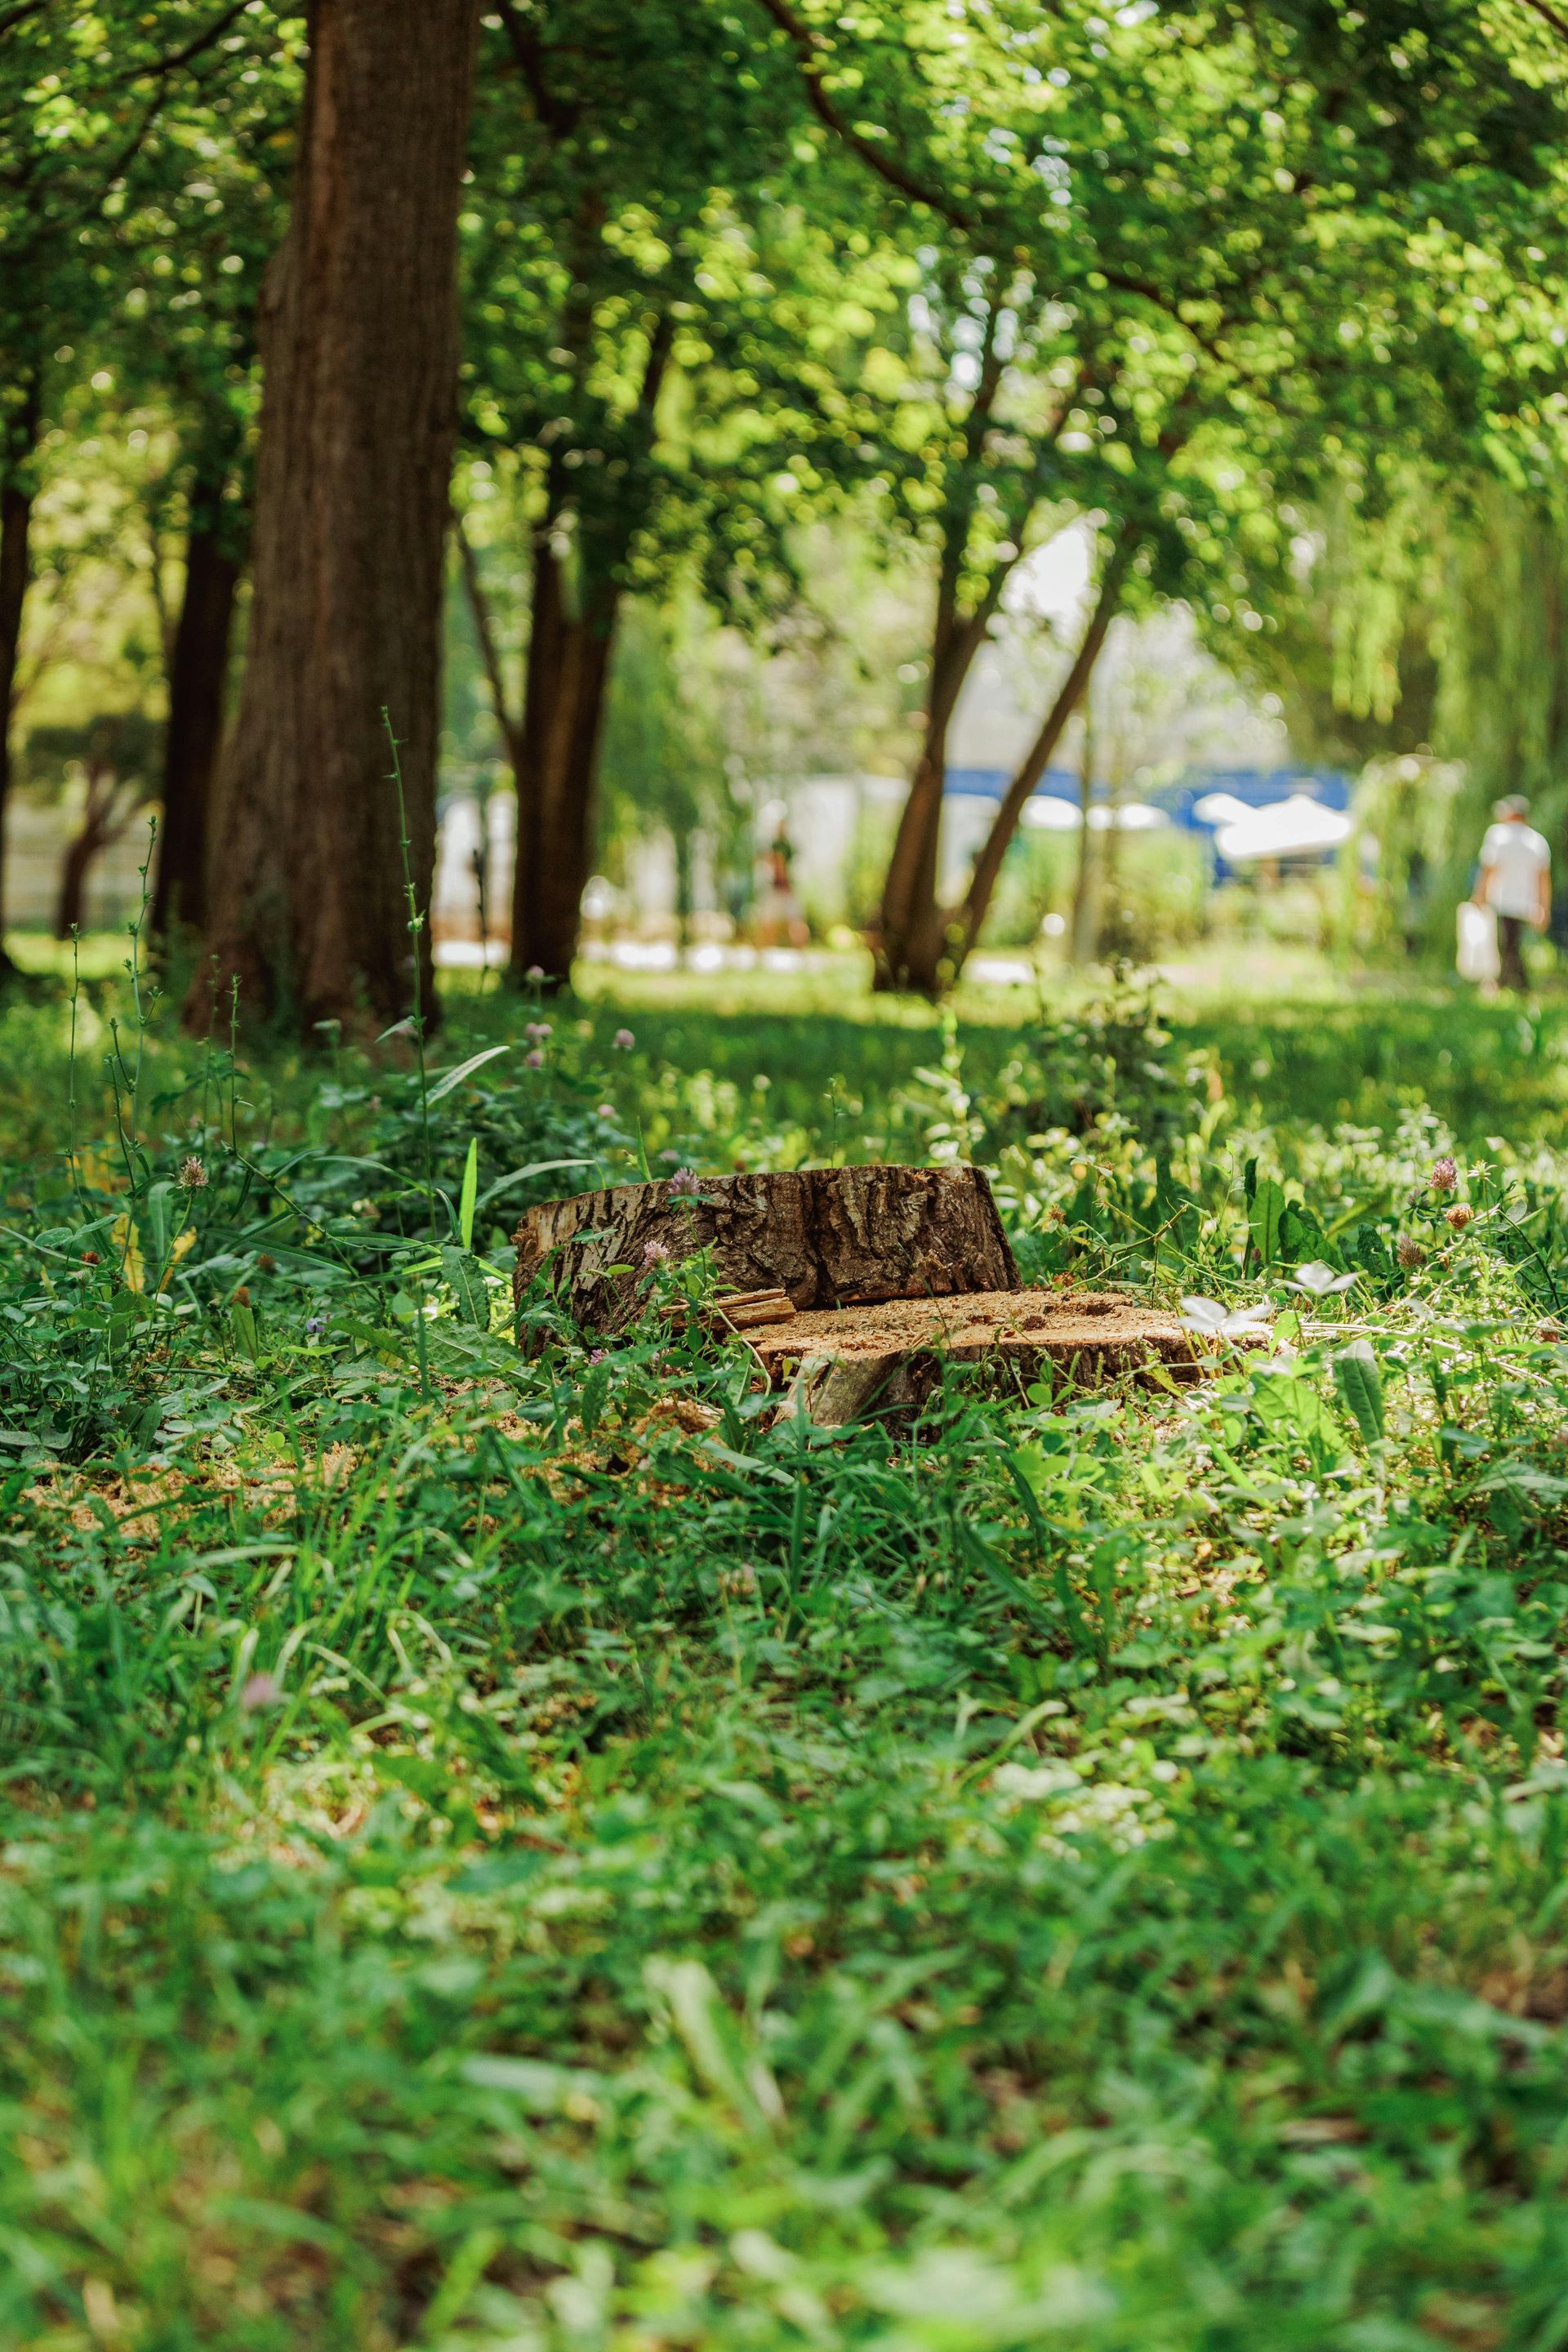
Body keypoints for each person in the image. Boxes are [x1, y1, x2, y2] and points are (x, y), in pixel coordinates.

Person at [1477, 794, 1551, 991]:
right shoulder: (1537, 841)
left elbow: (1488, 869)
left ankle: (1514, 987)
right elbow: (1543, 879)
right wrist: (1544, 907)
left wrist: (1479, 895)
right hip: (1526, 903)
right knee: (1512, 946)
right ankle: (1510, 985)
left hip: (1503, 900)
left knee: (1507, 947)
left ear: (1514, 814)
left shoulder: (1498, 835)